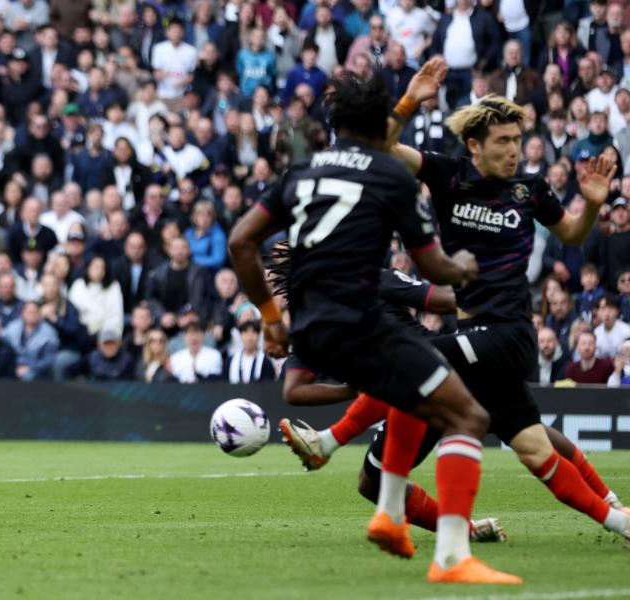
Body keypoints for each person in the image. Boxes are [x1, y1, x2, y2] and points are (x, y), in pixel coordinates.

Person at [326, 58, 630, 561]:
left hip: (509, 333)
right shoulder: (448, 174)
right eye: (503, 142)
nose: (514, 152)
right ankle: (618, 519)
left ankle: (329, 441)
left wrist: (593, 204)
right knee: (534, 448)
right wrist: (409, 101)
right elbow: (378, 150)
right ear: (474, 145)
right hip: (477, 339)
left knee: (410, 359)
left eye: (517, 141)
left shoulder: (531, 190)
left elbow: (573, 233)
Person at [227, 72, 518, 584]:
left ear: (334, 123)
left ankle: (388, 511)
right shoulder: (391, 175)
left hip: (310, 331)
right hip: (363, 322)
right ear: (383, 122)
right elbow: (433, 270)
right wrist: (465, 267)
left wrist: (272, 319)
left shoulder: (303, 170)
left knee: (409, 394)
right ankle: (452, 557)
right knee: (468, 418)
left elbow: (240, 242)